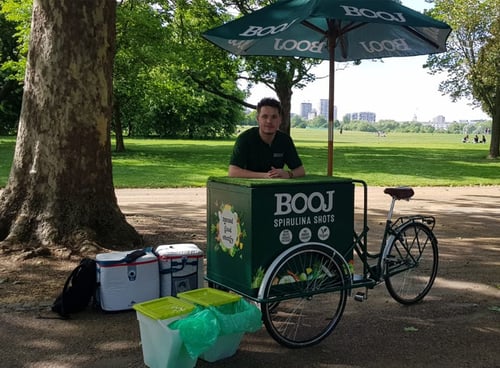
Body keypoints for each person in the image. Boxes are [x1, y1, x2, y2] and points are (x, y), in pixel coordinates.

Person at [228, 97, 306, 179]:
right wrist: (266, 175)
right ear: (258, 119)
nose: (269, 121)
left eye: (274, 117)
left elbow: (300, 170)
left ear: (280, 120)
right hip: (249, 189)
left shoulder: (285, 140)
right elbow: (233, 171)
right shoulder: (245, 138)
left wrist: (288, 174)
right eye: (264, 116)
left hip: (276, 189)